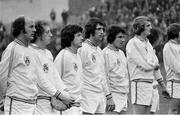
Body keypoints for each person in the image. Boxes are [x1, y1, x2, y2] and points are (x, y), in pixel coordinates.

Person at [0, 16, 74, 115]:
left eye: (35, 27)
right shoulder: (12, 48)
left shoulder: (31, 51)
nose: (34, 30)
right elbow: (2, 76)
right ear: (21, 29)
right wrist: (5, 97)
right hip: (17, 105)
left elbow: (41, 79)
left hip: (32, 105)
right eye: (31, 27)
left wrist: (61, 95)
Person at [126, 16, 170, 114]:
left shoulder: (148, 44)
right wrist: (155, 65)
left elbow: (156, 67)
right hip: (139, 84)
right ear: (141, 27)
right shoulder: (132, 43)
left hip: (151, 86)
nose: (150, 28)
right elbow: (144, 64)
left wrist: (163, 86)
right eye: (148, 26)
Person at [30, 20, 71, 115]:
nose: (51, 35)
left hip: (52, 103)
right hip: (38, 103)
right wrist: (59, 95)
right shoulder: (31, 52)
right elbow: (41, 81)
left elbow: (55, 77)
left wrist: (66, 91)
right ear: (39, 35)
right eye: (47, 32)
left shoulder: (48, 53)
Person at [78, 17, 115, 115]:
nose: (102, 32)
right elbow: (77, 74)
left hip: (100, 95)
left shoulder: (99, 50)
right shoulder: (82, 48)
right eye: (99, 29)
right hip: (87, 95)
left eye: (103, 29)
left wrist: (108, 95)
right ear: (90, 31)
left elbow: (103, 75)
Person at [54, 24, 83, 115]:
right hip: (66, 108)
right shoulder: (63, 56)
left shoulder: (78, 55)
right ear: (70, 37)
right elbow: (54, 80)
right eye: (78, 35)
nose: (82, 38)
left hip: (78, 106)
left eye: (81, 35)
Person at [102, 25, 129, 114]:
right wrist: (108, 97)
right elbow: (104, 77)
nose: (123, 40)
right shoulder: (105, 53)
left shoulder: (121, 53)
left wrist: (125, 94)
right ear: (112, 37)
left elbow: (124, 75)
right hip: (113, 95)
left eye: (123, 37)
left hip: (123, 95)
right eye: (120, 37)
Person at [163, 23, 180, 114]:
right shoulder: (168, 46)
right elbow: (176, 67)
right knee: (174, 110)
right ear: (176, 33)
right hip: (175, 83)